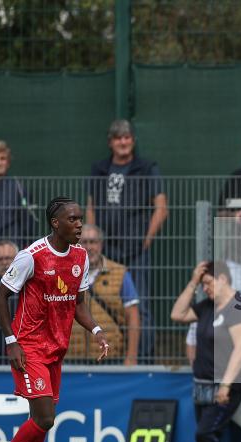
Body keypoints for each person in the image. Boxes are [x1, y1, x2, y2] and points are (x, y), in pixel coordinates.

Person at [0, 197, 109, 442]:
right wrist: (11, 340)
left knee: (44, 420)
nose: (79, 224)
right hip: (28, 347)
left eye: (80, 218)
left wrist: (96, 331)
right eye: (72, 219)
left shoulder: (81, 256)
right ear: (56, 223)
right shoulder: (32, 256)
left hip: (56, 348)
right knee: (44, 417)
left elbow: (77, 304)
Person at [86, 119, 168, 361]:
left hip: (136, 250)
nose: (123, 142)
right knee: (96, 304)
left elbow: (161, 208)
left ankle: (143, 359)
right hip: (104, 251)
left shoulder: (147, 167)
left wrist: (146, 241)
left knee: (139, 305)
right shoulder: (99, 169)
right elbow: (90, 207)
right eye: (118, 138)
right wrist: (90, 239)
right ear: (111, 142)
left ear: (133, 140)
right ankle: (104, 356)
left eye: (128, 137)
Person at [170, 260, 241, 442]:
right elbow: (177, 314)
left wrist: (225, 385)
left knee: (205, 434)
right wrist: (193, 282)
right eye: (203, 284)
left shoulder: (238, 307)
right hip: (202, 386)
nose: (204, 289)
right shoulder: (207, 306)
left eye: (207, 283)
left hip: (225, 387)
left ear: (223, 279)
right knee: (208, 436)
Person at [67, 224, 140, 365]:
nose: (89, 247)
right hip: (70, 359)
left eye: (93, 242)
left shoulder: (120, 273)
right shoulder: (63, 273)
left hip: (110, 359)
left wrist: (131, 356)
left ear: (101, 245)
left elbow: (133, 316)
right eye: (84, 242)